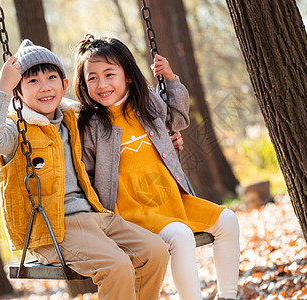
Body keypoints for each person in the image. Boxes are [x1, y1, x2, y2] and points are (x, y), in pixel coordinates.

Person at [0, 39, 169, 300]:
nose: (44, 87)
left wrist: (165, 139)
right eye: (32, 81)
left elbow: (116, 133)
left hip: (96, 215)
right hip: (53, 228)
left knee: (155, 251)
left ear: (64, 84)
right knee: (116, 266)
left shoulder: (73, 118)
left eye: (51, 78)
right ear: (17, 92)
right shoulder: (14, 128)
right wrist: (1, 87)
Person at [73, 34, 240, 300]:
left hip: (170, 198)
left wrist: (171, 78)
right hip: (132, 211)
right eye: (92, 77)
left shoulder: (147, 103)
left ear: (128, 75)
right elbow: (86, 172)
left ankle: (228, 295)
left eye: (109, 74)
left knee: (228, 220)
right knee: (182, 235)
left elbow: (178, 118)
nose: (101, 84)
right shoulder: (91, 124)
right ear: (83, 83)